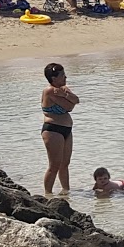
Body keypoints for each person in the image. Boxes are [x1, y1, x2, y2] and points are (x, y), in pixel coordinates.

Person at [39, 62, 77, 195]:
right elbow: (68, 107)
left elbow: (76, 101)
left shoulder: (63, 89)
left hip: (67, 129)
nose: (65, 78)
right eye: (62, 76)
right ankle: (47, 194)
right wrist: (67, 97)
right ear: (54, 78)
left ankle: (66, 192)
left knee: (65, 164)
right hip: (53, 130)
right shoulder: (48, 91)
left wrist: (66, 95)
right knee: (54, 165)